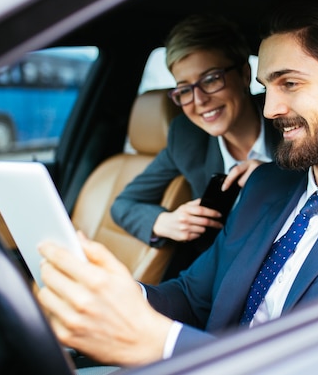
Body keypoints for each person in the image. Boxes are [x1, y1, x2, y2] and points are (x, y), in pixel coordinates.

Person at [37, 0, 318, 367]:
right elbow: (194, 298)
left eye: (289, 83)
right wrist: (110, 295)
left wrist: (161, 344)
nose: (269, 109)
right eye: (266, 86)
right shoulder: (267, 184)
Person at [110, 14, 281, 261]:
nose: (199, 101)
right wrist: (164, 221)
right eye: (185, 89)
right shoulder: (186, 138)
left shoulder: (287, 118)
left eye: (211, 79)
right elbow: (123, 204)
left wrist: (273, 177)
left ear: (244, 75)